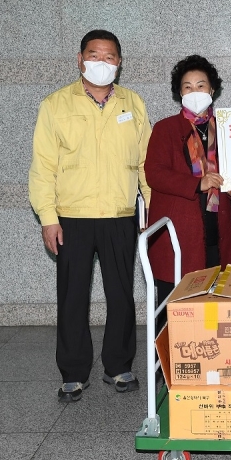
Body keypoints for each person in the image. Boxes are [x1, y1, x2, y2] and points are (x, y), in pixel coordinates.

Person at [29, 29, 151, 402]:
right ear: (80, 59)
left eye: (109, 56)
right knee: (72, 297)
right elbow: (43, 167)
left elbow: (146, 163)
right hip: (72, 218)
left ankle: (119, 366)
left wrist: (151, 209)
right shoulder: (55, 104)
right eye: (94, 55)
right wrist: (48, 217)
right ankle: (73, 372)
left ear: (119, 62)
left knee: (121, 295)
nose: (102, 62)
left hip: (119, 215)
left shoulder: (133, 103)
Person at [146, 55, 231, 306]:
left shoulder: (226, 128)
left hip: (215, 228)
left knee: (214, 303)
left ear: (212, 90)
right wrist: (198, 183)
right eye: (187, 87)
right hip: (179, 231)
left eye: (201, 85)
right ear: (179, 93)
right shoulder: (165, 129)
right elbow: (154, 173)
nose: (194, 91)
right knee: (175, 304)